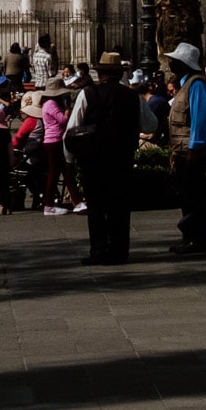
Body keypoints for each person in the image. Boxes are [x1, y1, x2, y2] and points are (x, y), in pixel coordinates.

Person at [66, 52, 154, 266]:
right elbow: (151, 124)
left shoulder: (88, 94)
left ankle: (98, 250)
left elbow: (72, 129)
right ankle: (119, 250)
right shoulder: (133, 96)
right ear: (120, 74)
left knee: (96, 207)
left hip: (93, 160)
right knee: (120, 205)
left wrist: (69, 158)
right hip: (122, 159)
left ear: (100, 73)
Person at [165, 42, 206, 256]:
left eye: (175, 61)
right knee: (186, 196)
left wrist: (194, 149)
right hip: (182, 150)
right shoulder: (186, 83)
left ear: (184, 63)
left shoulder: (196, 84)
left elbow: (199, 118)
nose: (171, 64)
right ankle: (189, 237)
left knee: (193, 196)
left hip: (191, 152)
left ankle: (197, 239)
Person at [40, 80, 83, 215]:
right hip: (55, 140)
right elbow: (64, 120)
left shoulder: (47, 104)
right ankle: (49, 205)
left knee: (65, 171)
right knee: (55, 173)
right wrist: (68, 109)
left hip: (53, 140)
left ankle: (77, 201)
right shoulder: (51, 104)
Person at [12, 91, 46, 208]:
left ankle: (17, 200)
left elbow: (17, 141)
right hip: (40, 155)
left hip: (29, 157)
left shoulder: (31, 121)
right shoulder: (43, 120)